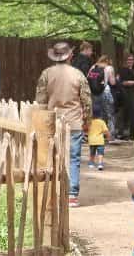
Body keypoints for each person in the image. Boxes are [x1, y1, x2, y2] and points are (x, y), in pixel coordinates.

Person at [35, 41, 92, 208]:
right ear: (70, 56)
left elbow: (40, 100)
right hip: (74, 122)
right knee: (73, 158)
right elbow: (86, 100)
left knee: (51, 157)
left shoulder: (46, 74)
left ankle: (53, 191)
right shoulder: (78, 74)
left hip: (52, 121)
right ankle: (72, 194)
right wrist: (87, 121)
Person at [92, 54, 118, 139]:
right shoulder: (109, 68)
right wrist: (117, 79)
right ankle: (110, 135)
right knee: (110, 114)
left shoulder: (93, 67)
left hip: (95, 93)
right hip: (106, 92)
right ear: (107, 61)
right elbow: (113, 82)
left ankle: (99, 135)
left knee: (99, 115)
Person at [119, 53, 134, 140]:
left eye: (132, 60)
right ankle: (126, 134)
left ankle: (132, 134)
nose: (130, 61)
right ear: (125, 61)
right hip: (127, 94)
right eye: (129, 60)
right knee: (128, 114)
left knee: (133, 114)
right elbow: (123, 82)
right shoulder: (123, 70)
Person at [87, 102, 111, 171]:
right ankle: (100, 164)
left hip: (91, 140)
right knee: (100, 153)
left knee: (92, 152)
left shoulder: (90, 122)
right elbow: (106, 131)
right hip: (100, 140)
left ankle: (91, 163)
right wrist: (108, 137)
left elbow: (86, 129)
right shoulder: (101, 122)